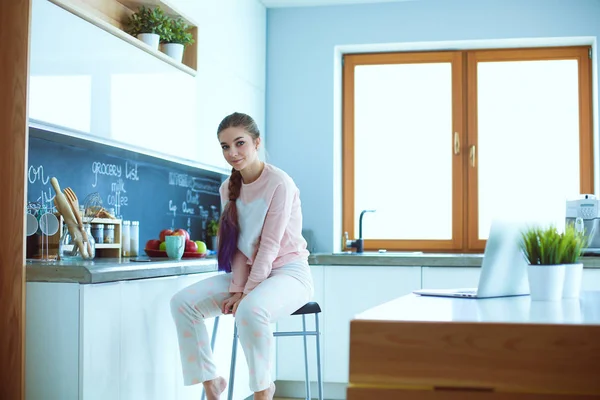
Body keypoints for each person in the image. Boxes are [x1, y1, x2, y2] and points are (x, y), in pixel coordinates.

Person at [170, 112, 314, 400]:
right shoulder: (227, 188)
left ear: (257, 142)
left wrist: (245, 294)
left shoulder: (279, 183)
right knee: (182, 303)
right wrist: (238, 287)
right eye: (225, 146)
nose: (232, 153)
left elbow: (270, 245)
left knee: (250, 310)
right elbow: (236, 245)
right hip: (248, 273)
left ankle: (263, 391)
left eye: (240, 143)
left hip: (289, 273)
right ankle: (211, 383)